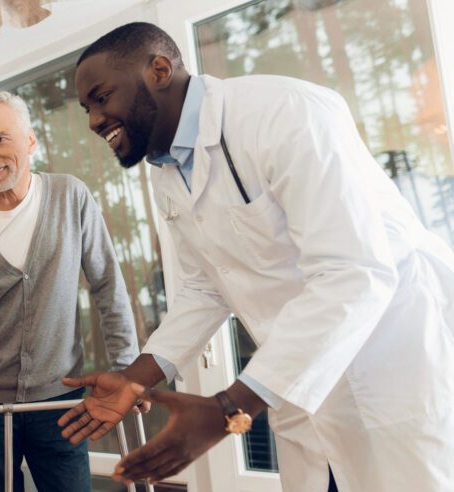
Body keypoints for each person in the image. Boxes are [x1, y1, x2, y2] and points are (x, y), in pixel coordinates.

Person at [60, 22, 454, 491]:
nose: (94, 121)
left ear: (160, 70)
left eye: (102, 97)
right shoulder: (166, 170)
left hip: (388, 363)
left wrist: (230, 406)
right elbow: (204, 287)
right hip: (294, 384)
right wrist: (136, 378)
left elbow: (353, 272)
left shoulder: (285, 112)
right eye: (87, 108)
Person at [0, 91, 139, 492]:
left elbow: (108, 285)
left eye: (1, 138)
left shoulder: (70, 197)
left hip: (59, 405)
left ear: (31, 141)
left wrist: (128, 367)